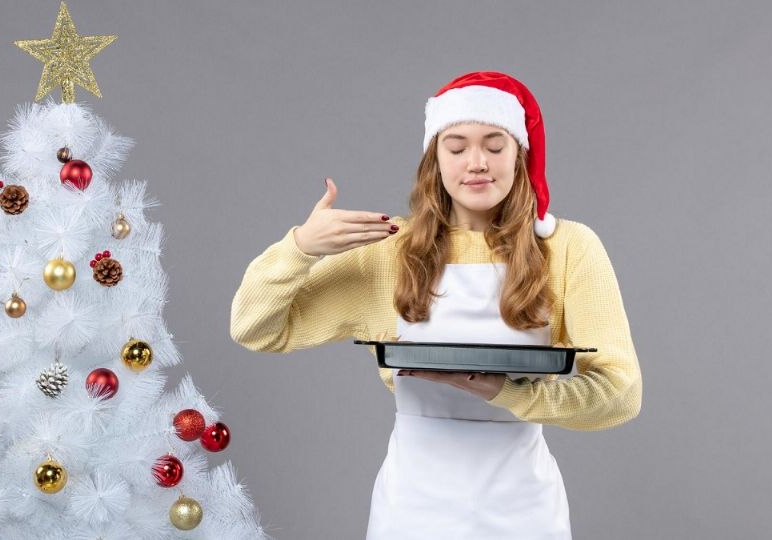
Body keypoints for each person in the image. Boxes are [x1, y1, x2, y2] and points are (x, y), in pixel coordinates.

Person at [230, 71, 642, 539]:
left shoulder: (569, 248)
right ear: (435, 158)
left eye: (494, 144)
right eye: (457, 145)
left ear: (519, 156)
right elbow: (254, 328)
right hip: (413, 509)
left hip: (523, 509)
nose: (477, 162)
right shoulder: (388, 250)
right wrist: (300, 247)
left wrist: (510, 393)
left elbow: (622, 394)